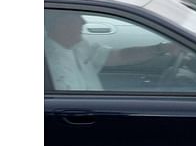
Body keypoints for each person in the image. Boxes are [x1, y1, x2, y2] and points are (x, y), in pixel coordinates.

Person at [44, 11, 178, 91]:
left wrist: (161, 48)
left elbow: (120, 56)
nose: (83, 22)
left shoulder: (79, 46)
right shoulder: (47, 60)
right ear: (60, 24)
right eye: (75, 17)